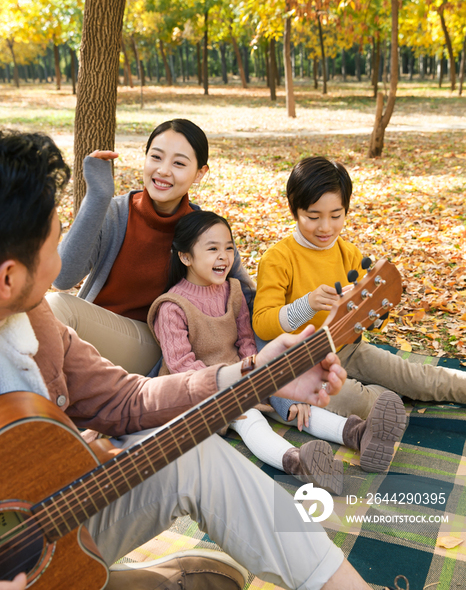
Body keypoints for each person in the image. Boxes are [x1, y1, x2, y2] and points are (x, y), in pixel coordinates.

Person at [0, 130, 373, 590]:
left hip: (49, 528)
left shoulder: (34, 319)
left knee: (194, 451)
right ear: (9, 278)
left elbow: (126, 399)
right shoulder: (113, 223)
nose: (59, 267)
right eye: (53, 247)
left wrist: (254, 371)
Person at [148, 210, 406, 483]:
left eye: (229, 248)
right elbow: (181, 365)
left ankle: (359, 433)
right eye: (212, 249)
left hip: (240, 375)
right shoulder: (171, 307)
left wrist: (255, 381)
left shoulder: (233, 290)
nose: (223, 257)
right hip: (195, 392)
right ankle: (298, 462)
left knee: (296, 403)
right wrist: (232, 392)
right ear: (186, 256)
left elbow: (247, 342)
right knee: (250, 419)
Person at [253, 155, 466, 416]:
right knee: (357, 402)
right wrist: (306, 305)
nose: (326, 227)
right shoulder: (277, 258)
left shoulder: (350, 254)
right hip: (303, 366)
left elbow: (369, 315)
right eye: (313, 216)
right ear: (294, 210)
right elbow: (262, 325)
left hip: (350, 348)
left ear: (346, 210)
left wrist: (378, 317)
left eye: (336, 215)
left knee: (417, 377)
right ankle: (390, 398)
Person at [47, 119, 255, 375]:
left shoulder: (204, 233)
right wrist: (97, 197)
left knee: (56, 308)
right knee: (36, 312)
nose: (164, 170)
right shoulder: (115, 213)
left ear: (200, 173)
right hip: (96, 329)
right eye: (156, 157)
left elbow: (248, 302)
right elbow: (62, 276)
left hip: (158, 347)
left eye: (179, 163)